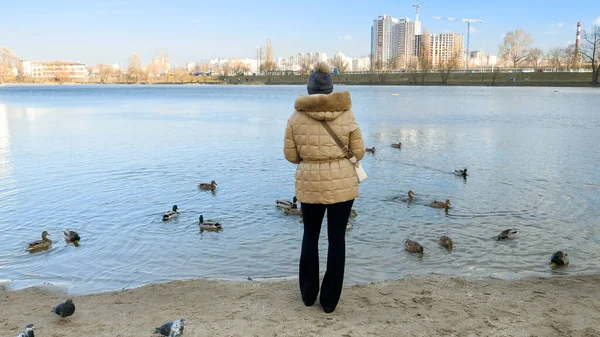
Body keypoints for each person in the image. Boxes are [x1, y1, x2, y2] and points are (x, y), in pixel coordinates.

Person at [283, 61, 365, 313]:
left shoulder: (296, 117)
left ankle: (308, 295)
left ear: (309, 88)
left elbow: (290, 155)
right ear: (330, 88)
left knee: (310, 236)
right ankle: (329, 301)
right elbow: (359, 152)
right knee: (336, 239)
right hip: (342, 183)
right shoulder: (347, 114)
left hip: (309, 183)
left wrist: (311, 159)